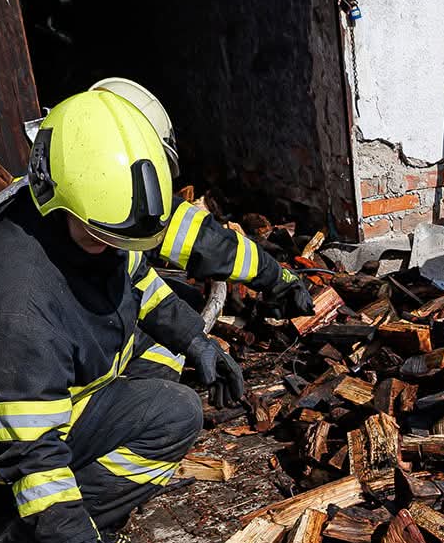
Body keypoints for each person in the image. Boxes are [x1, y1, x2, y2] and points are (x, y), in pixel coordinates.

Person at [0, 89, 246, 543]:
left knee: (163, 375)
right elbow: (30, 446)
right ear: (60, 199)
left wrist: (194, 340)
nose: (111, 248)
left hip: (42, 395)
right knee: (173, 417)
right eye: (103, 239)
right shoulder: (20, 301)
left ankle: (33, 513)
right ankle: (48, 527)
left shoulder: (88, 217)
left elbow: (137, 284)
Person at [89, 78, 315, 364]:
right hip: (80, 362)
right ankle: (155, 393)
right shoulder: (115, 199)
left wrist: (273, 275)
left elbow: (201, 238)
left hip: (75, 332)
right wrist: (278, 279)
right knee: (167, 343)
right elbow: (206, 245)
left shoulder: (53, 188)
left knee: (183, 300)